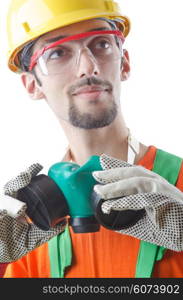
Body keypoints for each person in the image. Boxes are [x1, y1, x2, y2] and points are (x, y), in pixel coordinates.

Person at [1, 0, 183, 278]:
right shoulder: (26, 225)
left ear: (125, 63)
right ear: (32, 84)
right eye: (57, 53)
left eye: (101, 44)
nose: (88, 66)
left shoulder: (179, 191)